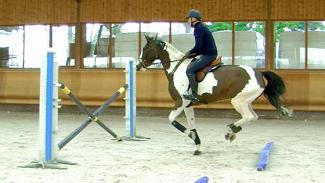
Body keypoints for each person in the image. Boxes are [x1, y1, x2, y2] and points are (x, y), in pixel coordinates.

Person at [182, 9, 218, 103]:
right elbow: (200, 48)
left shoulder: (198, 29)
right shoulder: (201, 27)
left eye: (188, 19)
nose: (187, 21)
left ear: (193, 18)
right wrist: (192, 54)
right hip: (207, 53)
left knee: (190, 70)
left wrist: (189, 52)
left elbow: (198, 47)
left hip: (209, 55)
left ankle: (194, 95)